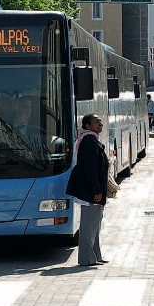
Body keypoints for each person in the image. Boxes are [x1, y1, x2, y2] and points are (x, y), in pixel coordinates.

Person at [68, 113, 109, 267]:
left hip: (92, 190)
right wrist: (96, 190)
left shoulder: (91, 139)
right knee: (88, 225)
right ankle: (86, 258)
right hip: (90, 191)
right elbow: (90, 169)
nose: (100, 124)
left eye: (100, 121)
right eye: (96, 122)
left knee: (95, 224)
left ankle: (95, 256)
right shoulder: (89, 141)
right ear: (87, 126)